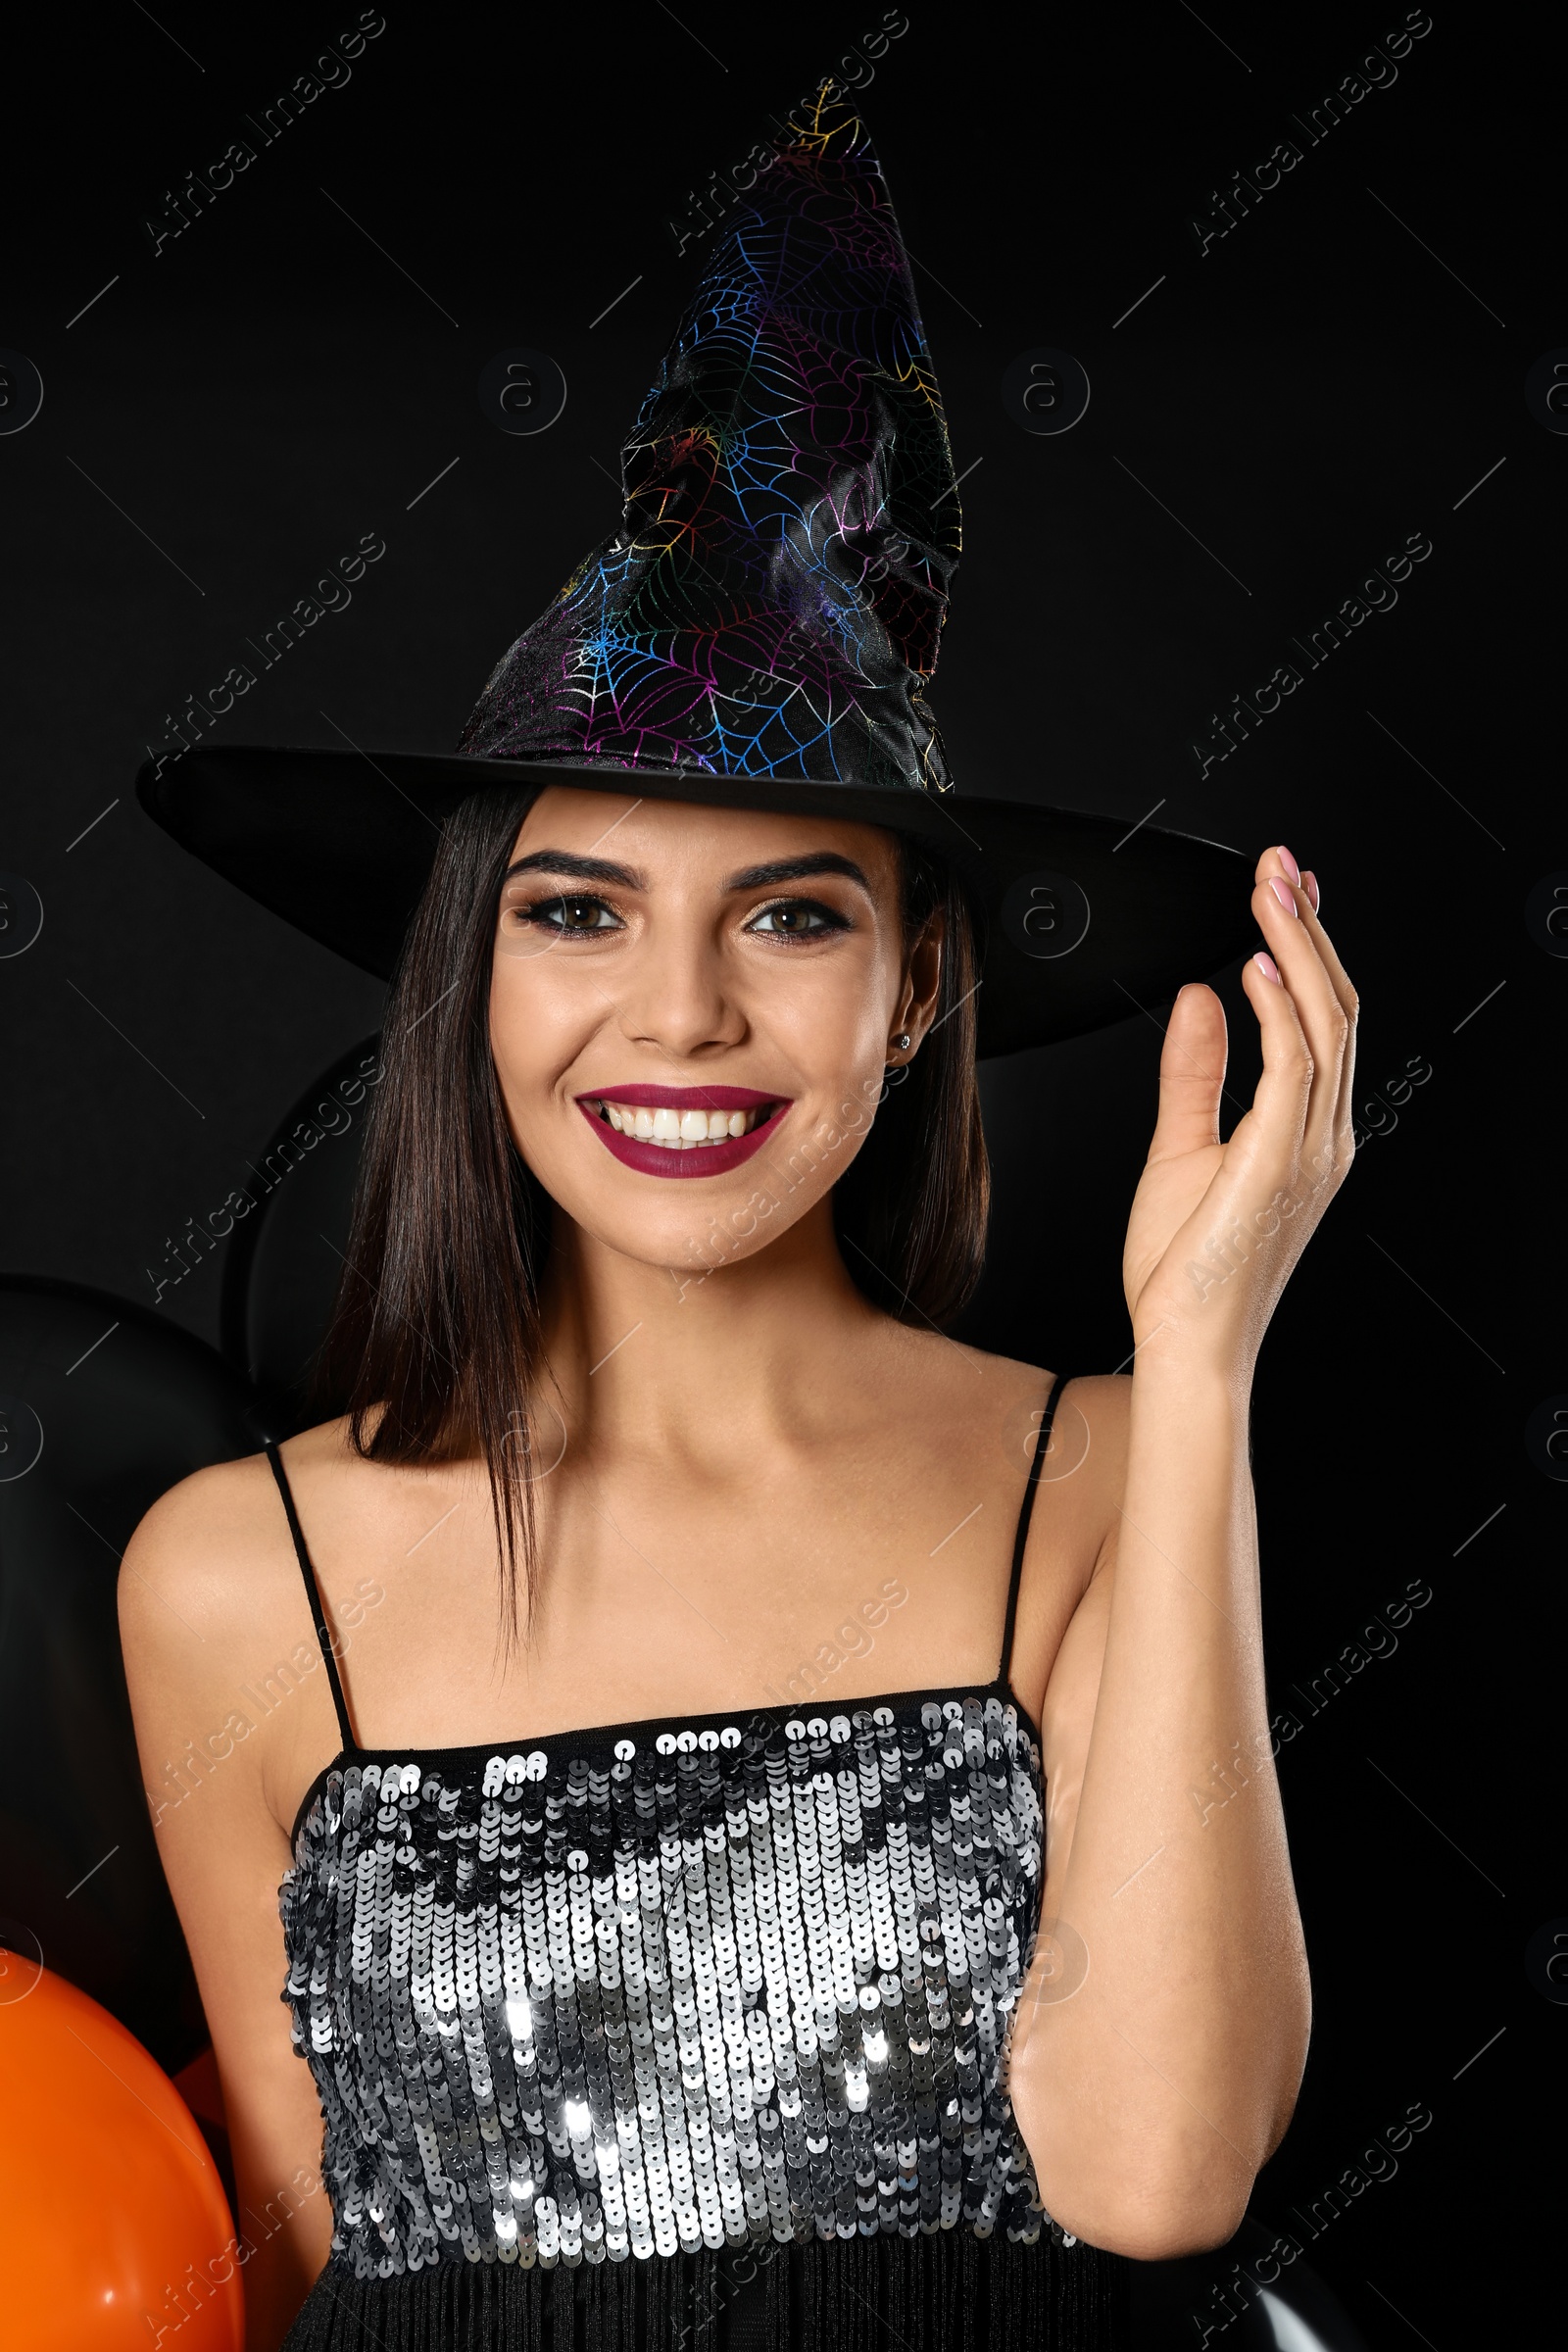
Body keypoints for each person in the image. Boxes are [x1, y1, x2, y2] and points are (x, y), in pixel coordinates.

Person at [121, 84, 1352, 2352]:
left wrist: (1195, 1365)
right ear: (468, 983)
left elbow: (1158, 2175)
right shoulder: (229, 1576)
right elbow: (291, 2274)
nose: (675, 1018)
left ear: (913, 996)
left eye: (787, 920)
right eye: (578, 912)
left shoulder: (1099, 1473)